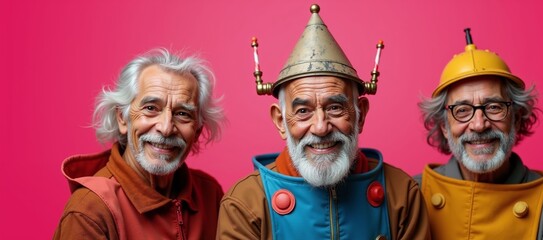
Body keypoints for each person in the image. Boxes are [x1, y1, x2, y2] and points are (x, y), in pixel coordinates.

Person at [216, 4, 430, 240]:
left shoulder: (402, 192)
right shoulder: (244, 203)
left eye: (335, 108)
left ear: (361, 114)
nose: (320, 127)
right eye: (304, 111)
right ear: (280, 121)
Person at [415, 28, 543, 239]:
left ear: (516, 116)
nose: (479, 124)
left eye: (494, 107)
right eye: (462, 111)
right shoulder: (413, 195)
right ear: (444, 126)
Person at [54, 48, 225, 239]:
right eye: (151, 108)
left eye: (182, 114)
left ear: (197, 131)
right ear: (122, 118)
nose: (166, 128)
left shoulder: (210, 193)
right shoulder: (89, 211)